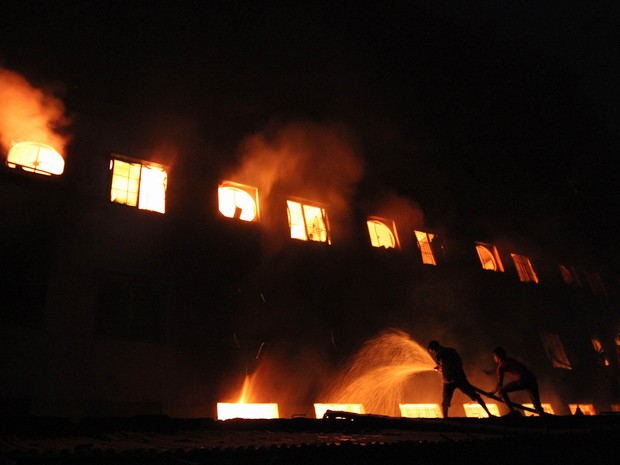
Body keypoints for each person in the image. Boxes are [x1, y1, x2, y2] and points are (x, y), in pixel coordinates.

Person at [427, 340, 494, 418]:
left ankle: (445, 419)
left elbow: (442, 366)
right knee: (476, 396)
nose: (432, 353)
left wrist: (439, 369)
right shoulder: (451, 350)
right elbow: (456, 362)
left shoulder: (438, 354)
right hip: (459, 378)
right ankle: (489, 414)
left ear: (433, 349)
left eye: (431, 351)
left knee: (445, 401)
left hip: (448, 381)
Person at [492, 346, 545, 416]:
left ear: (497, 356)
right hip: (532, 379)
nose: (493, 358)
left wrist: (492, 392)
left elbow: (500, 383)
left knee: (501, 391)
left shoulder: (501, 366)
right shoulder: (510, 360)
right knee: (537, 405)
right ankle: (543, 416)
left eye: (494, 356)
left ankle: (513, 412)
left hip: (523, 381)